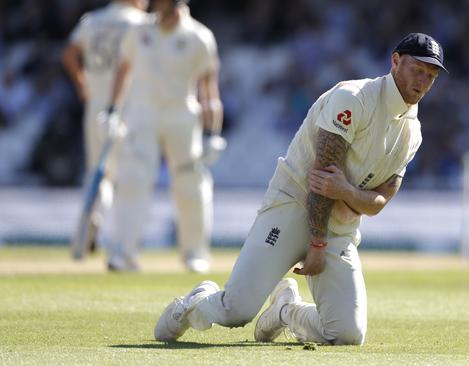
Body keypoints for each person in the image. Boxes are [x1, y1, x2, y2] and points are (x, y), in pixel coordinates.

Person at [154, 32, 446, 345]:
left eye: (430, 76)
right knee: (235, 311)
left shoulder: (412, 132)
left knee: (348, 334)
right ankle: (189, 307)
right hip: (292, 204)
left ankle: (285, 311)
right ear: (395, 61)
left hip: (338, 226)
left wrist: (346, 193)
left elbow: (378, 203)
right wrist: (318, 242)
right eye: (417, 70)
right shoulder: (354, 97)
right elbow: (320, 178)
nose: (423, 81)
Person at [103, 0, 224, 272]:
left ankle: (195, 253)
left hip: (181, 117)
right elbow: (123, 71)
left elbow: (209, 90)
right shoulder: (139, 30)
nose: (156, 5)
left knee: (190, 185)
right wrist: (112, 111)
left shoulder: (199, 36)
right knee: (133, 181)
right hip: (142, 115)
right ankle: (124, 253)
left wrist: (212, 133)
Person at [62, 0, 149, 255]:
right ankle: (124, 242)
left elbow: (68, 54)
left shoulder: (92, 20)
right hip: (131, 106)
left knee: (99, 173)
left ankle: (91, 222)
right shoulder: (141, 23)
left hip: (97, 106)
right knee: (130, 175)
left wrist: (82, 87)